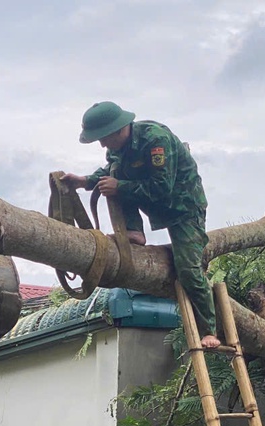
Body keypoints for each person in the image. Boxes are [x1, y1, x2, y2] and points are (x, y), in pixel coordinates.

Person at [61, 100, 221, 348]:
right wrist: (85, 181)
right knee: (114, 182)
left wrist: (119, 186)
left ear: (118, 129)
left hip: (183, 208)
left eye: (103, 138)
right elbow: (113, 170)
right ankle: (134, 233)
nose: (102, 144)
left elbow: (161, 188)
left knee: (188, 270)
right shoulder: (117, 149)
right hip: (151, 200)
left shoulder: (155, 141)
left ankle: (209, 330)